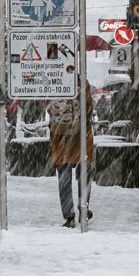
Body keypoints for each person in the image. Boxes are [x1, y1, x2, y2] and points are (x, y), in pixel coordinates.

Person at [46, 79, 94, 228]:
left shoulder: (51, 80)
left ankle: (69, 216)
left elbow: (48, 107)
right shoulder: (82, 82)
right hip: (81, 133)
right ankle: (83, 208)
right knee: (84, 172)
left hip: (59, 134)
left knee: (64, 175)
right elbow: (88, 108)